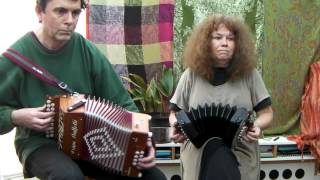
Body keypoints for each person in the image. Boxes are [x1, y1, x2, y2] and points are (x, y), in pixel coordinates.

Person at [0, 0, 167, 180]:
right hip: (40, 143)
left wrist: (144, 139)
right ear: (40, 12)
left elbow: (122, 101)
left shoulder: (86, 50)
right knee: (68, 176)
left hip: (89, 141)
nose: (70, 20)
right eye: (61, 11)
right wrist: (15, 116)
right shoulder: (14, 59)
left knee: (152, 176)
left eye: (75, 13)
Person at [169, 15, 273, 180]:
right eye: (218, 37)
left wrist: (257, 126)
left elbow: (267, 114)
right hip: (198, 148)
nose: (224, 43)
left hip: (239, 148)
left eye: (230, 38)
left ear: (237, 44)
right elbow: (174, 113)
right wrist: (176, 127)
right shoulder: (190, 75)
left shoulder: (250, 75)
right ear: (205, 43)